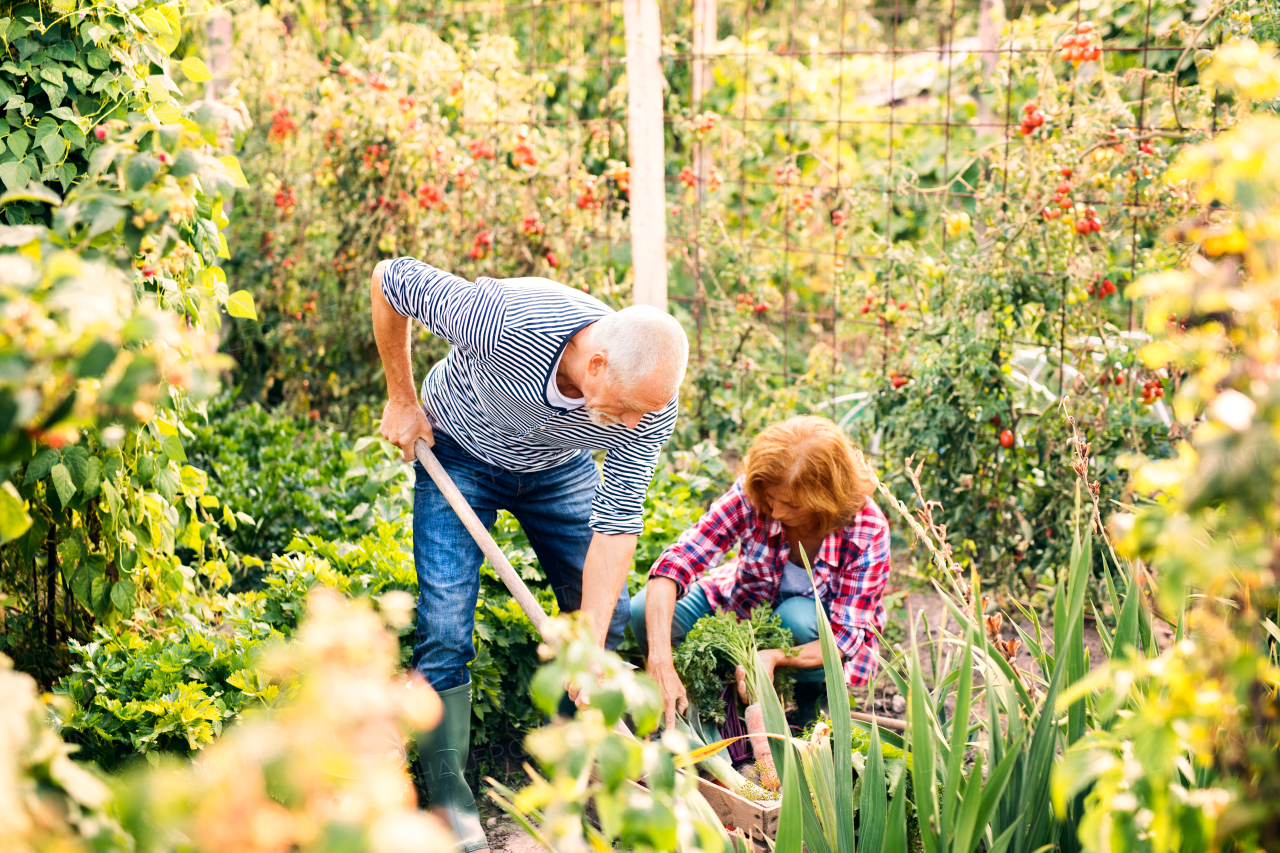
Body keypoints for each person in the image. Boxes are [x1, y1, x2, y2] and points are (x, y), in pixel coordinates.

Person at [371, 257, 688, 853]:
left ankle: (563, 775)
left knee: (605, 612)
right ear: (595, 366)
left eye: (646, 412)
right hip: (460, 452)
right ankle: (449, 802)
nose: (633, 423)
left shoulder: (646, 399)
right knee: (444, 626)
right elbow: (389, 279)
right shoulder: (505, 322)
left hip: (556, 468)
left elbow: (618, 522)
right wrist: (400, 397)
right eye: (625, 410)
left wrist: (588, 649)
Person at [631, 415, 890, 731]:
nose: (777, 513)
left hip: (810, 640)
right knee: (642, 609)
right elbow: (674, 564)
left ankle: (809, 703)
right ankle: (697, 696)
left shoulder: (866, 528)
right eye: (771, 499)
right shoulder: (752, 495)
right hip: (742, 607)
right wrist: (660, 660)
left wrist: (774, 656)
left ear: (827, 498)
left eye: (792, 505)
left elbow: (844, 639)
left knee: (797, 619)